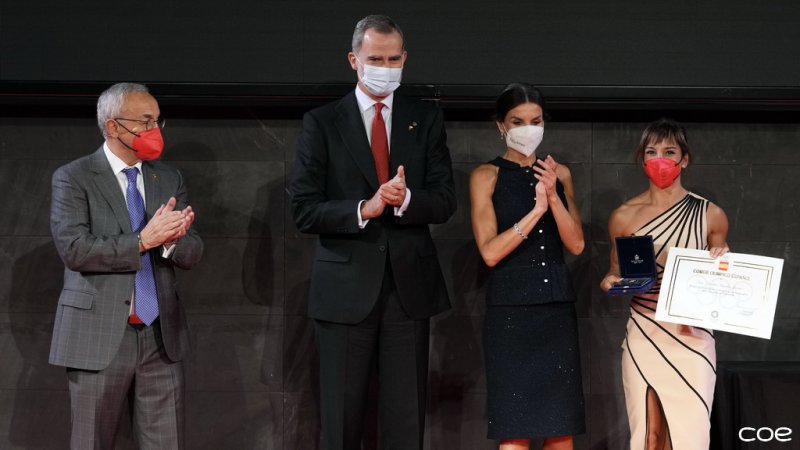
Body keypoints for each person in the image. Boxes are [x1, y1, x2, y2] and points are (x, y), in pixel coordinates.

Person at [289, 14, 456, 450]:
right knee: (341, 422)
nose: (386, 67)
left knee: (405, 422)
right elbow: (303, 210)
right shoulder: (322, 122)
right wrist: (365, 208)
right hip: (344, 291)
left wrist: (405, 199)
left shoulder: (425, 119)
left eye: (393, 59)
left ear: (405, 58)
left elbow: (445, 200)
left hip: (408, 291)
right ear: (354, 60)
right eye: (375, 59)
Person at [49, 82, 203, 449]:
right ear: (113, 126)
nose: (154, 130)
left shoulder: (168, 178)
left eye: (157, 121)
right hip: (97, 336)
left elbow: (193, 251)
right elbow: (75, 249)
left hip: (160, 337)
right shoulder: (74, 177)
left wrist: (171, 240)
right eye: (145, 121)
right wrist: (141, 241)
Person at [600, 118, 729, 450]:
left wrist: (723, 262)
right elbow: (614, 272)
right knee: (649, 435)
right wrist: (611, 282)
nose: (660, 159)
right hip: (644, 331)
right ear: (642, 159)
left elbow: (723, 279)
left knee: (691, 437)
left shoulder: (711, 214)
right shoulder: (623, 216)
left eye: (669, 152)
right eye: (651, 152)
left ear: (684, 159)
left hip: (693, 337)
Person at [469, 83, 586, 450]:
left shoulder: (559, 173)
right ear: (500, 125)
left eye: (535, 121)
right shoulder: (486, 176)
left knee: (560, 428)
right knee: (515, 428)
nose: (528, 129)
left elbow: (577, 244)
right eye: (517, 121)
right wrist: (535, 211)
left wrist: (553, 197)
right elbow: (490, 253)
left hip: (555, 310)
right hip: (510, 314)